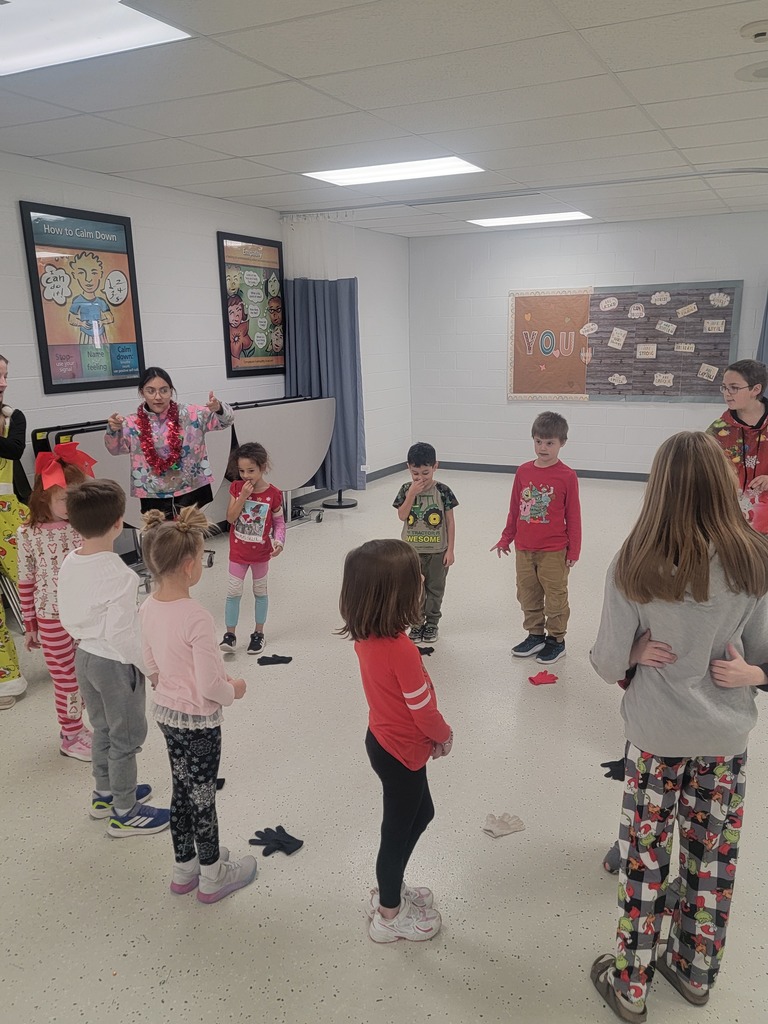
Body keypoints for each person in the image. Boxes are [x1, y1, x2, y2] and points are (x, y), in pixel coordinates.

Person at [589, 431, 768, 1020]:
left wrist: (637, 655)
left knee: (644, 859)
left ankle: (632, 983)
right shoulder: (754, 557)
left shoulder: (635, 560)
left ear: (658, 486)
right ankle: (695, 971)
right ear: (723, 485)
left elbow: (607, 661)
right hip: (724, 740)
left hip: (656, 737)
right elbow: (761, 660)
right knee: (711, 860)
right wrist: (750, 674)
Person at [140, 506, 256, 904]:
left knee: (181, 789)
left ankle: (183, 868)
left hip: (166, 715)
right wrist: (235, 689)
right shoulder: (196, 616)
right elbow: (210, 684)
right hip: (200, 722)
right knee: (204, 796)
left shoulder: (148, 606)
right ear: (191, 566)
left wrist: (168, 683)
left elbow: (150, 663)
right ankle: (212, 875)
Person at [339, 539, 453, 943]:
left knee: (420, 816)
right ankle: (389, 911)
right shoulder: (401, 649)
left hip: (385, 742)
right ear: (397, 594)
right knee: (398, 828)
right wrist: (443, 735)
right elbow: (421, 710)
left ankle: (393, 887)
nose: (423, 577)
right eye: (415, 576)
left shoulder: (367, 635)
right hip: (402, 751)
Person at [58, 478, 170, 837]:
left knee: (103, 729)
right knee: (126, 736)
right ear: (119, 523)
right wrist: (149, 669)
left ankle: (104, 793)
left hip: (84, 656)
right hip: (114, 664)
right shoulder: (120, 575)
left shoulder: (70, 561)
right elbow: (124, 636)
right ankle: (125, 811)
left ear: (73, 523)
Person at [17, 443, 96, 758]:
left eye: (78, 497)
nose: (73, 504)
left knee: (84, 675)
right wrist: (29, 623)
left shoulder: (81, 527)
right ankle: (71, 735)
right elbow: (26, 579)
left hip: (84, 616)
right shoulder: (28, 533)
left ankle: (77, 727)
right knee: (66, 679)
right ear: (43, 496)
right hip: (51, 618)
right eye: (66, 498)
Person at [491, 411, 581, 665]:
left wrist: (573, 551)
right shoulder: (523, 471)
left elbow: (573, 516)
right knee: (527, 593)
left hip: (554, 550)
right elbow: (514, 508)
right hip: (524, 548)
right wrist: (506, 537)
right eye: (538, 441)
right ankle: (535, 635)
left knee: (555, 595)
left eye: (550, 442)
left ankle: (556, 640)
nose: (543, 447)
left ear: (562, 443)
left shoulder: (567, 476)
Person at [104, 366, 234, 518]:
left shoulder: (190, 414)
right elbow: (115, 449)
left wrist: (218, 408)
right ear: (142, 392)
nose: (158, 397)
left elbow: (226, 421)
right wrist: (113, 430)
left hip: (190, 486)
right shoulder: (131, 423)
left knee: (191, 535)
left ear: (171, 391)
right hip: (153, 492)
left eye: (164, 390)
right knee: (161, 537)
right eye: (151, 391)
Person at [219, 443, 285, 657]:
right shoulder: (237, 488)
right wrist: (243, 498)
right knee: (233, 592)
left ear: (263, 467)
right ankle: (230, 634)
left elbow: (279, 523)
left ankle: (258, 633)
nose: (246, 476)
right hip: (238, 552)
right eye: (241, 471)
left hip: (260, 554)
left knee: (260, 592)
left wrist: (279, 541)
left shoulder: (274, 494)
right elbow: (230, 518)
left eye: (251, 471)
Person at [393, 442, 458, 644]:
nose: (420, 478)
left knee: (435, 589)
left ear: (435, 466)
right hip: (412, 553)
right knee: (414, 590)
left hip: (438, 552)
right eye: (415, 474)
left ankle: (432, 624)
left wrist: (451, 550)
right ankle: (416, 623)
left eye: (425, 473)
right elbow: (402, 515)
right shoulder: (405, 490)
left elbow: (450, 521)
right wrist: (412, 493)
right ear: (408, 468)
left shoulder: (443, 491)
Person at [0, 353, 31, 710]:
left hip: (9, 517)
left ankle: (65, 651)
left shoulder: (13, 419)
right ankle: (7, 678)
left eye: (6, 375)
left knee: (33, 589)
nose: (4, 383)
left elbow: (13, 449)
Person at [707, 359, 768, 532]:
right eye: (724, 387)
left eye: (734, 387)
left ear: (755, 389)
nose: (727, 393)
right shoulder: (718, 430)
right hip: (731, 521)